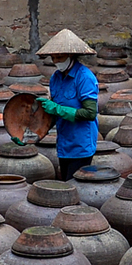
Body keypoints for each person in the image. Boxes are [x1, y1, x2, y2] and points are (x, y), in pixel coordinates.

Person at [32, 29, 100, 180]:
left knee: (74, 187)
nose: (56, 61)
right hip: (63, 144)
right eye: (54, 57)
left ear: (71, 55)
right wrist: (31, 135)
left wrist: (57, 108)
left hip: (81, 145)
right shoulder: (55, 78)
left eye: (60, 57)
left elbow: (90, 113)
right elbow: (54, 113)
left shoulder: (84, 77)